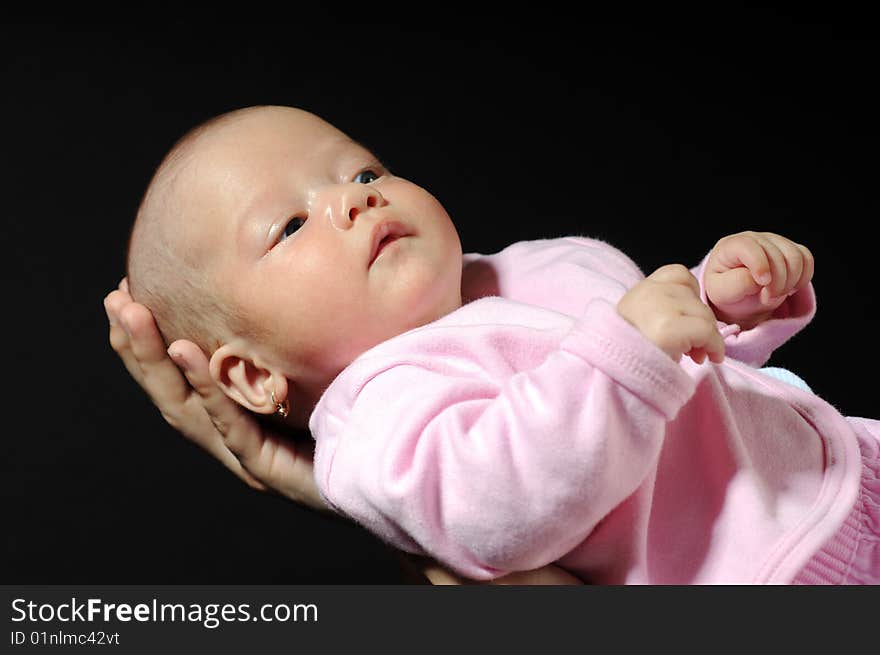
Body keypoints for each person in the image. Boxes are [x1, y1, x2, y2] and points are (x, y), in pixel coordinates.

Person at [108, 105, 879, 584]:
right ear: (249, 375)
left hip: (839, 464)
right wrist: (633, 347)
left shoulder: (526, 264)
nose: (351, 197)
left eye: (362, 168)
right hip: (773, 571)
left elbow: (671, 373)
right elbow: (499, 504)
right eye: (292, 225)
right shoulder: (380, 418)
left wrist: (719, 300)